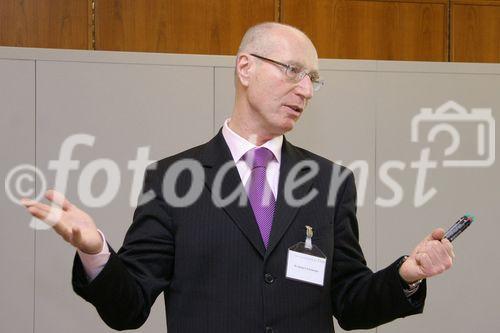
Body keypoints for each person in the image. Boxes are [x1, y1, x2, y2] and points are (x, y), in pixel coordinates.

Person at [21, 22, 454, 333]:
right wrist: (96, 252)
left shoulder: (330, 181)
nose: (305, 90)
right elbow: (127, 309)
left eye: (313, 79)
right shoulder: (174, 179)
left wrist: (407, 274)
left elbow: (351, 304)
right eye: (292, 71)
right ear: (245, 68)